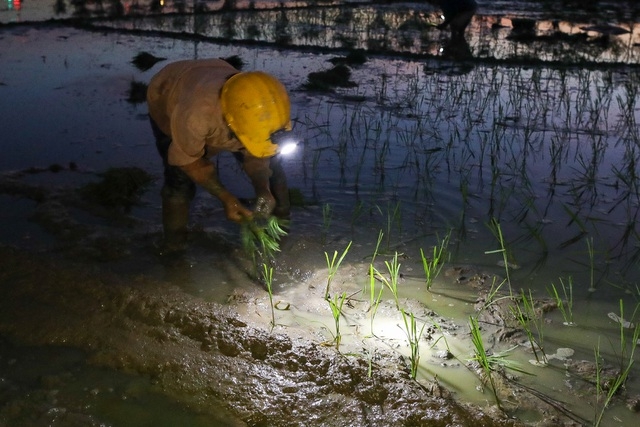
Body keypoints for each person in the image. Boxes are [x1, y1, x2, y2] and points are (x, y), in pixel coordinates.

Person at [147, 59, 293, 254]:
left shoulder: (263, 111)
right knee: (179, 183)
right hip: (167, 92)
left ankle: (282, 235)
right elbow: (189, 162)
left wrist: (262, 188)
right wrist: (227, 198)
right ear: (231, 125)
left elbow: (259, 154)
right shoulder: (195, 117)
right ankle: (174, 246)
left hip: (215, 79)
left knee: (274, 171)